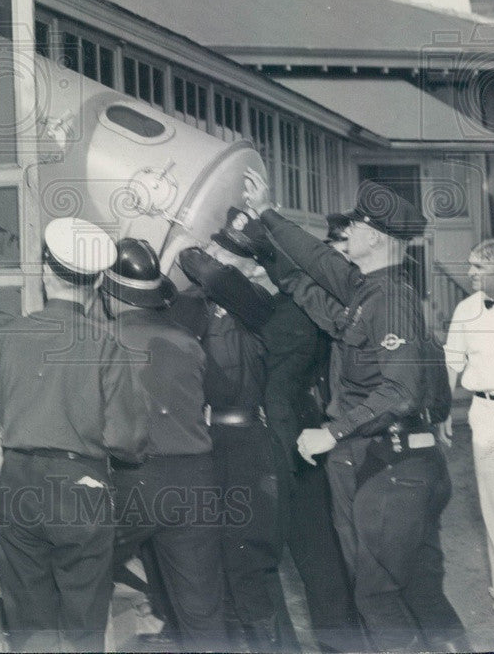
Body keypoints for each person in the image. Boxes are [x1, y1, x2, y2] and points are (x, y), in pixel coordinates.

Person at [244, 171, 467, 652]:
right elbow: (313, 284)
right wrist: (266, 234)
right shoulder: (371, 294)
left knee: (379, 597)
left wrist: (333, 432)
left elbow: (401, 391)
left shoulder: (388, 299)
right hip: (391, 464)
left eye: (358, 227)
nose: (349, 235)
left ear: (374, 236)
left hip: (388, 468)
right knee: (421, 592)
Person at [189, 210, 361, 652]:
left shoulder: (283, 311)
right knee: (316, 560)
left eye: (227, 251)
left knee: (277, 562)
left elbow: (200, 266)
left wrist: (224, 255)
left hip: (280, 446)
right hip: (298, 441)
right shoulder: (298, 303)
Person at [0, 217, 148, 652]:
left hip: (16, 482)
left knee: (28, 618)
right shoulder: (109, 346)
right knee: (83, 618)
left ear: (45, 271)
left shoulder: (6, 334)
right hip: (80, 486)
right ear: (95, 285)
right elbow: (126, 440)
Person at [176, 218, 299, 653]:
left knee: (249, 566)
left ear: (250, 266)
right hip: (210, 444)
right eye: (216, 248)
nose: (216, 257)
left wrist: (193, 251)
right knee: (222, 565)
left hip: (249, 444)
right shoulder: (200, 304)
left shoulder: (261, 304)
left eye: (227, 252)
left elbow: (202, 268)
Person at [101, 238, 227, 651]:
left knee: (77, 580)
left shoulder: (100, 341)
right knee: (201, 610)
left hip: (133, 478)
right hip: (195, 481)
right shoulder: (188, 340)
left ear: (109, 293)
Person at [442, 238, 494, 615]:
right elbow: (452, 361)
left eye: (477, 267)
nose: (470, 273)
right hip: (487, 413)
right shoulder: (466, 309)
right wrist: (443, 410)